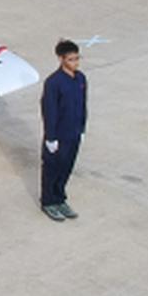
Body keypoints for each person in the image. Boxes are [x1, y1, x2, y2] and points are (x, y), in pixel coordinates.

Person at [39, 39, 87, 221]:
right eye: (71, 60)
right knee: (52, 168)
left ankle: (60, 199)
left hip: (74, 133)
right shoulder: (54, 82)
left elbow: (83, 105)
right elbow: (49, 110)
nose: (75, 63)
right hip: (58, 135)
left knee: (67, 167)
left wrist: (82, 129)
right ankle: (48, 202)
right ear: (61, 59)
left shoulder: (81, 78)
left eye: (77, 58)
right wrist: (51, 137)